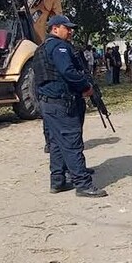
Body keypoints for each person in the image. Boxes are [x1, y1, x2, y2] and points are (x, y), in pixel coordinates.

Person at [34, 14, 107, 198]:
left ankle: (57, 181)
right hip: (61, 103)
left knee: (56, 143)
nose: (71, 31)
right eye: (67, 28)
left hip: (48, 102)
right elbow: (68, 72)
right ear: (55, 28)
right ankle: (83, 184)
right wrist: (86, 87)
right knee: (71, 142)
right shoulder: (60, 47)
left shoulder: (42, 48)